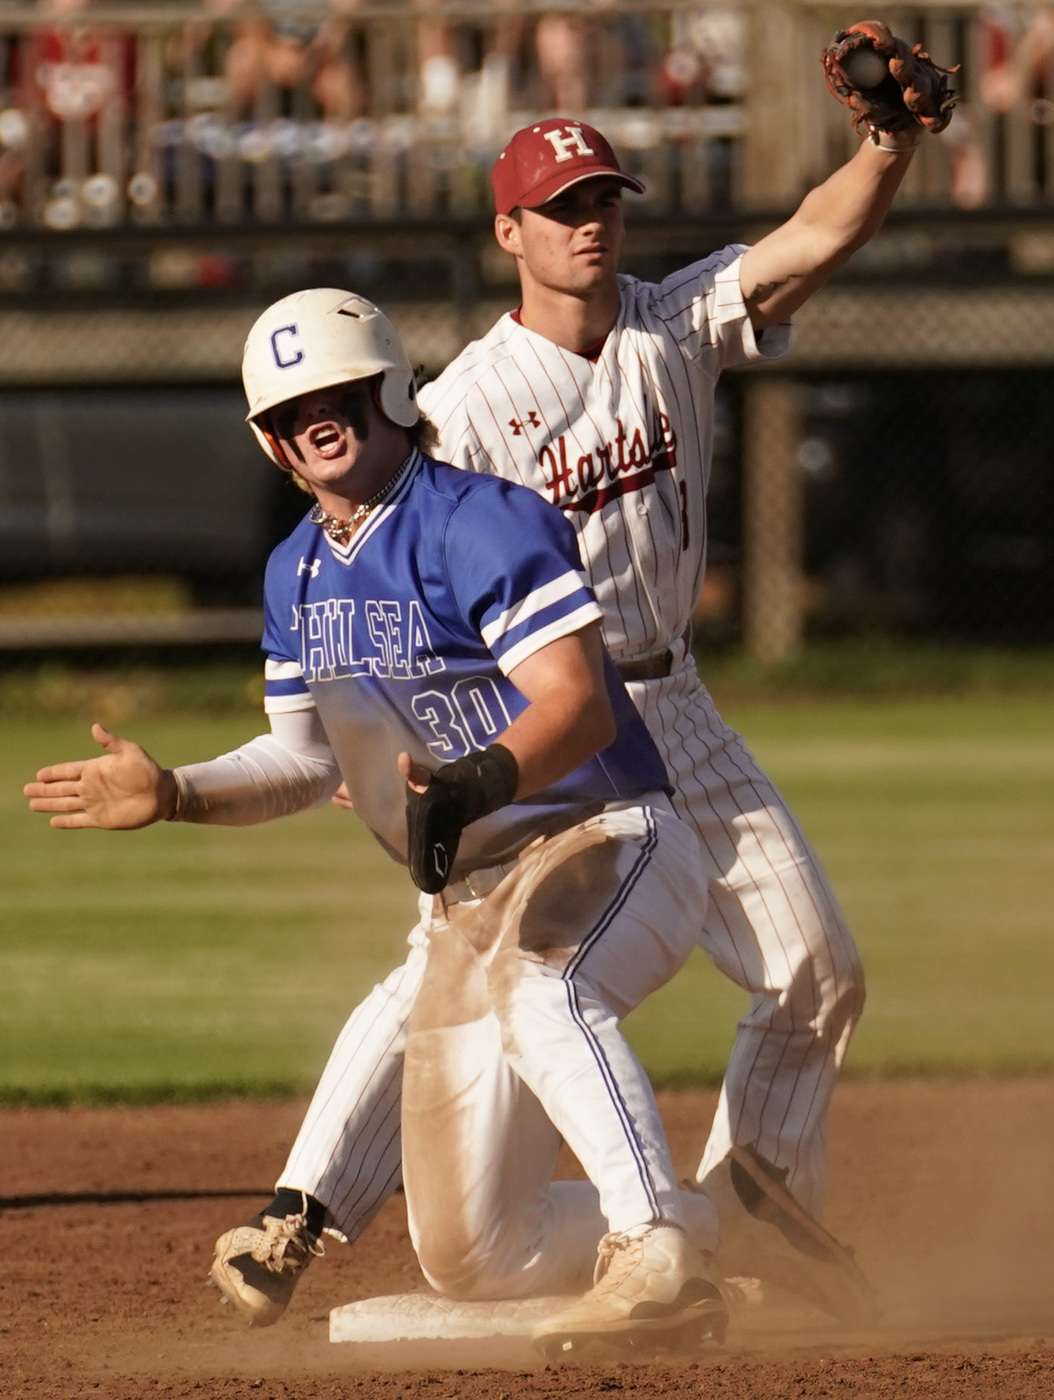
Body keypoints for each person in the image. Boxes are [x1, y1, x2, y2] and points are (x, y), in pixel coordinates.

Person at [206, 33, 949, 1331]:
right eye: (560, 208)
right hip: (542, 732)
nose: (588, 224)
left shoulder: (670, 321)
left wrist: (885, 147)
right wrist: (375, 728)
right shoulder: (464, 406)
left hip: (675, 700)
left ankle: (752, 1195)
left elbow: (805, 241)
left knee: (819, 971)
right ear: (511, 231)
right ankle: (317, 1204)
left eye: (603, 199)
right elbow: (398, 539)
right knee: (455, 974)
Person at [25, 288, 742, 1357]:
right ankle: (710, 1233)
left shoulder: (480, 518)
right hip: (474, 888)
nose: (314, 414)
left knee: (537, 978)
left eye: (335, 390)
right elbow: (305, 761)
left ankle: (655, 1247)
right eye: (290, 406)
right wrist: (175, 790)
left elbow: (580, 701)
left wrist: (472, 781)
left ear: (391, 391)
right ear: (269, 440)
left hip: (613, 837)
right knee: (475, 1250)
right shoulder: (296, 571)